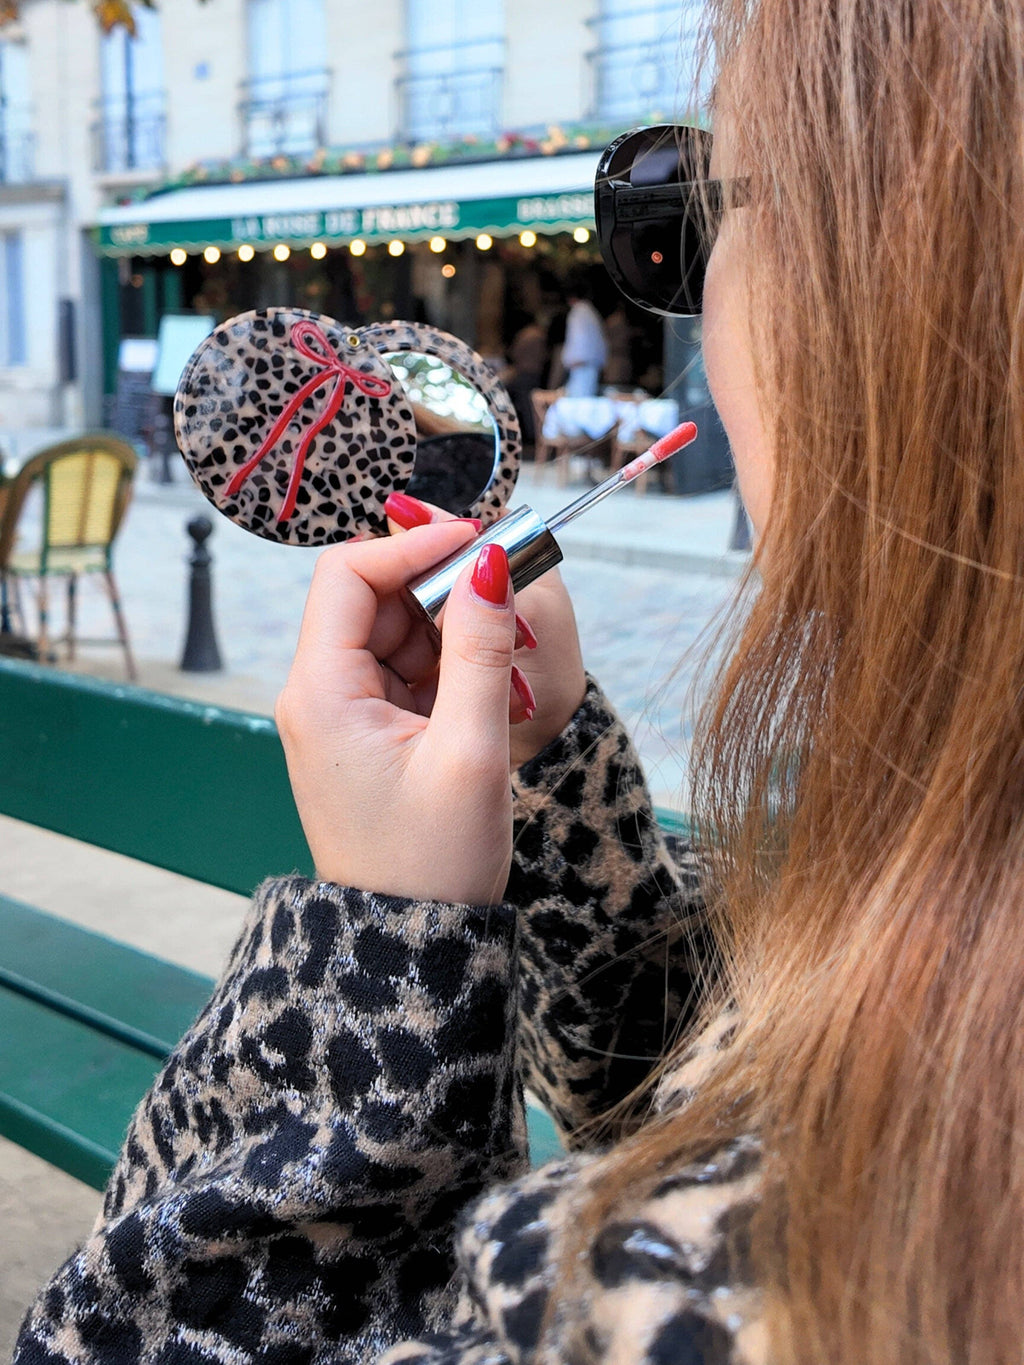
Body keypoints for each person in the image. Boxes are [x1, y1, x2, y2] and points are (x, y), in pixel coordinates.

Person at [14, 2, 1024, 1363]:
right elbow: (695, 1089)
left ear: (909, 295)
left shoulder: (758, 1285)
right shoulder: (956, 892)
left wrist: (376, 953)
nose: (685, 297)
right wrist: (550, 776)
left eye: (689, 216)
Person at [560, 278, 608, 396]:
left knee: (579, 399)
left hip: (582, 364)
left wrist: (574, 359)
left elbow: (579, 337)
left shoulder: (579, 312)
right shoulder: (590, 311)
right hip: (590, 364)